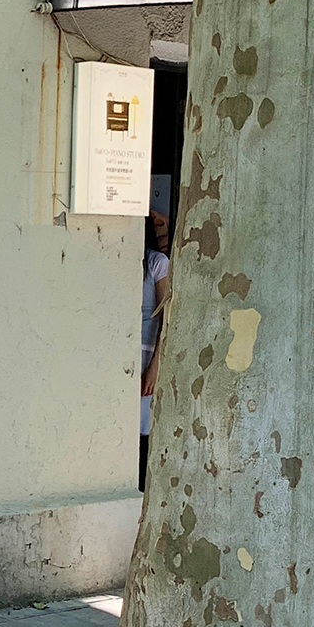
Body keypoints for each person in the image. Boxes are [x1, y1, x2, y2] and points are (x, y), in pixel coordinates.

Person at [139, 208, 171, 490]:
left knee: (143, 432)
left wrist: (155, 366)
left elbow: (166, 316)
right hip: (123, 359)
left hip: (148, 356)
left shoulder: (156, 263)